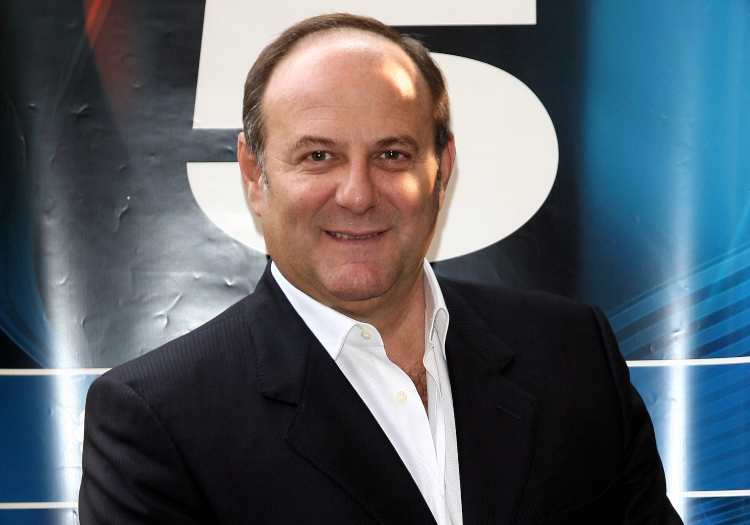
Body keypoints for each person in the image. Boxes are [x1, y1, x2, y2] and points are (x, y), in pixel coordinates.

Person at [78, 13, 683, 525]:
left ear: (442, 170)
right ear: (254, 175)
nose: (358, 194)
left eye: (392, 154)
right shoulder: (156, 420)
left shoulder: (572, 353)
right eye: (319, 156)